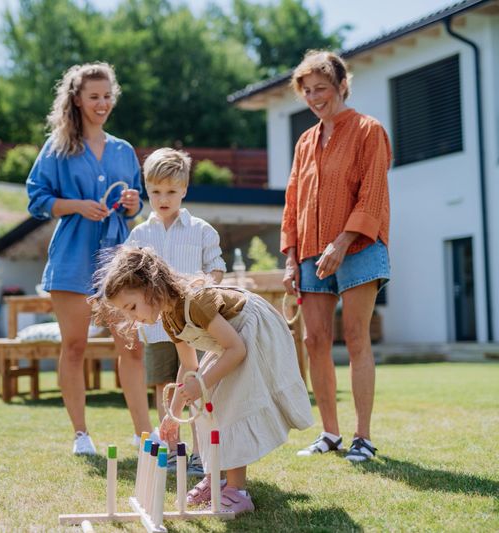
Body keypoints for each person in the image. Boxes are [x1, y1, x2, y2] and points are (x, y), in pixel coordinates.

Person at [91, 246, 313, 514]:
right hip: (231, 344)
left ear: (150, 287)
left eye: (132, 307)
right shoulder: (170, 319)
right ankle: (214, 478)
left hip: (254, 332)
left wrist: (203, 383)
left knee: (229, 406)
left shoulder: (195, 302)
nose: (133, 317)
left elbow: (237, 350)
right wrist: (172, 415)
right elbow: (188, 365)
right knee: (206, 408)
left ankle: (237, 491)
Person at [26, 62, 154, 455]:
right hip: (72, 258)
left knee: (131, 346)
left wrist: (133, 202)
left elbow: (133, 202)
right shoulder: (58, 147)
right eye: (94, 96)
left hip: (118, 260)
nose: (102, 104)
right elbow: (37, 200)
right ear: (77, 99)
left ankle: (143, 434)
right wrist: (77, 205)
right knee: (76, 346)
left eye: (107, 96)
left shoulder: (123, 150)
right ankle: (81, 435)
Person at [282, 50, 391, 462]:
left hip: (360, 246)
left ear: (342, 86)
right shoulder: (306, 141)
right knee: (313, 340)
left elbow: (373, 195)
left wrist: (342, 242)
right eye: (307, 91)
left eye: (321, 88)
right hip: (310, 252)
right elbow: (292, 201)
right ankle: (330, 433)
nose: (314, 97)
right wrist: (291, 258)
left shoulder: (369, 130)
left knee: (357, 337)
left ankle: (362, 437)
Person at [126, 148, 226, 476]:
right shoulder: (140, 234)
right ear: (147, 191)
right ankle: (170, 451)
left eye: (171, 191)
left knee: (194, 386)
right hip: (156, 328)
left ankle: (198, 455)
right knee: (164, 386)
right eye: (155, 192)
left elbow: (216, 267)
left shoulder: (201, 230)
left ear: (184, 190)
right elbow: (131, 277)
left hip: (193, 328)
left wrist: (205, 284)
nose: (163, 198)